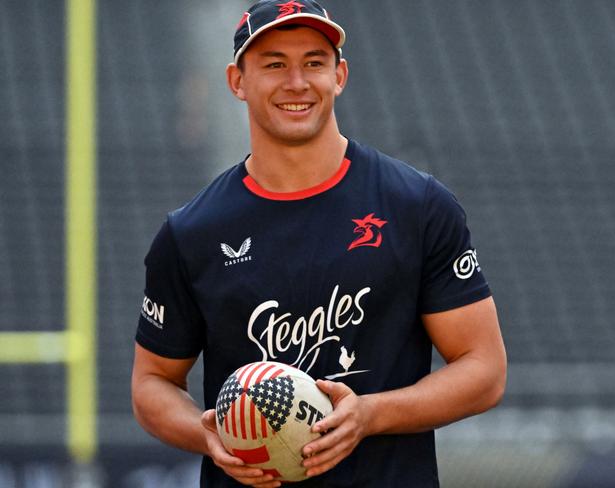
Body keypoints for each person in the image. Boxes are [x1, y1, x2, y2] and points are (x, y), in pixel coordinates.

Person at [131, 1, 507, 486]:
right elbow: (152, 382)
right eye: (274, 65)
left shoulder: (416, 205)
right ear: (237, 81)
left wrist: (370, 414)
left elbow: (484, 368)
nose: (297, 82)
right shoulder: (192, 232)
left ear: (340, 75)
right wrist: (206, 434)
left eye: (314, 62)